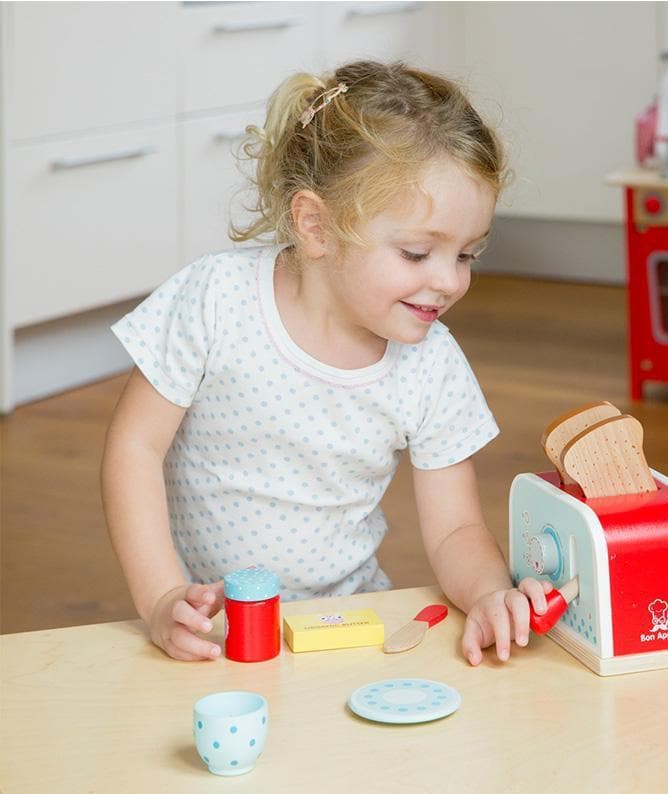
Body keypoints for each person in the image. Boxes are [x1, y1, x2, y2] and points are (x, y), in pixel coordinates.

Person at [101, 60, 550, 666]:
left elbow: (455, 531)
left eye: (467, 254)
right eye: (417, 253)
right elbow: (134, 449)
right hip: (208, 627)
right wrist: (160, 598)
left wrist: (492, 594)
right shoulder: (214, 299)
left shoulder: (432, 363)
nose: (448, 282)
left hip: (346, 624)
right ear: (316, 225)